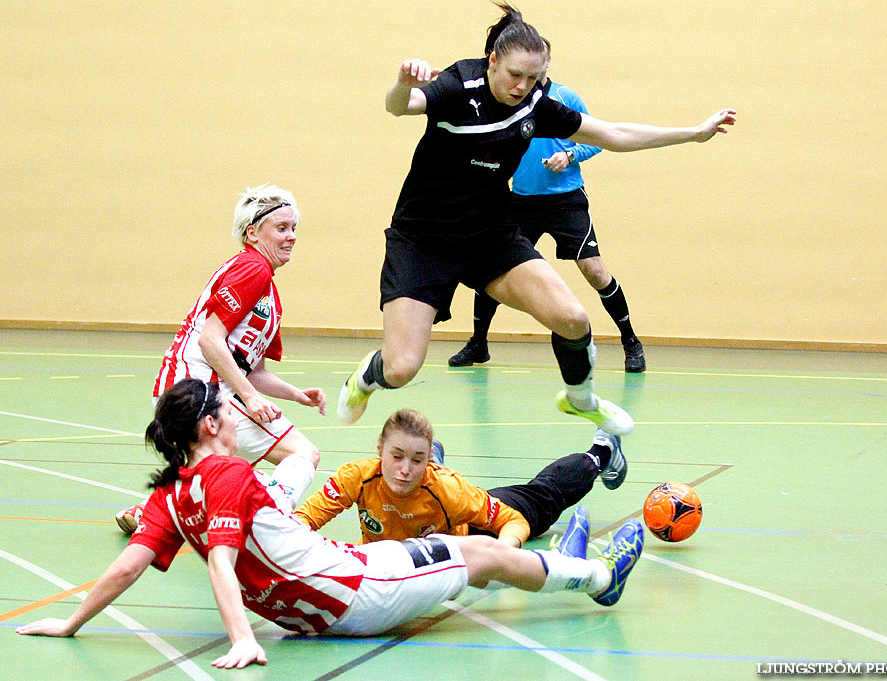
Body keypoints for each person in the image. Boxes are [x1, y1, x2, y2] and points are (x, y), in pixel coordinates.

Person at [16, 379, 645, 669]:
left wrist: (72, 622)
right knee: (477, 552)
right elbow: (220, 561)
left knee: (463, 552)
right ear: (210, 425)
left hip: (322, 600)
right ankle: (595, 577)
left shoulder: (174, 496)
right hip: (355, 593)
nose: (236, 413)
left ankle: (562, 563)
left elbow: (129, 565)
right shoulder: (230, 477)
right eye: (228, 407)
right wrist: (240, 639)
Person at [337, 2, 734, 434]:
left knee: (573, 319)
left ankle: (580, 400)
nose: (522, 87)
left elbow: (613, 134)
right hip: (423, 240)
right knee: (401, 369)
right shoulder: (458, 84)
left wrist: (694, 133)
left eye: (532, 78)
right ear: (492, 61)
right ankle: (366, 377)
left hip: (490, 235)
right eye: (514, 75)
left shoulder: (535, 105)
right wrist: (401, 82)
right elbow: (402, 106)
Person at [115, 184, 326, 535]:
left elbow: (251, 369)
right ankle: (269, 521)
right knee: (299, 455)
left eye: (293, 229)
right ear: (253, 232)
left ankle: (155, 512)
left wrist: (296, 394)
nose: (291, 237)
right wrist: (250, 398)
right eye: (281, 228)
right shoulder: (252, 268)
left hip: (202, 390)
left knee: (227, 468)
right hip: (196, 391)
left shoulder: (267, 291)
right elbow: (210, 340)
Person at [449, 42, 646, 373]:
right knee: (493, 272)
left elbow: (599, 140)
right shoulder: (509, 101)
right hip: (521, 200)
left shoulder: (564, 98)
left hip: (565, 200)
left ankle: (631, 342)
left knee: (595, 271)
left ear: (546, 63)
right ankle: (478, 343)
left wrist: (569, 155)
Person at [295, 408, 627, 549]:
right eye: (396, 457)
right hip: (395, 561)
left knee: (542, 500)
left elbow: (512, 521)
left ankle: (601, 452)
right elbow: (301, 521)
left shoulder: (449, 490)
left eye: (417, 460)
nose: (404, 469)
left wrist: (503, 550)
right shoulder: (357, 478)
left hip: (463, 533)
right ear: (380, 449)